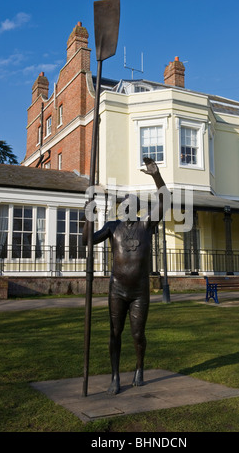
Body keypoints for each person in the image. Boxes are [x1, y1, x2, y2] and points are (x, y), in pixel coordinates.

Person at [83, 157, 169, 394]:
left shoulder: (146, 225)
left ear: (138, 208)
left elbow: (166, 201)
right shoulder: (112, 226)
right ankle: (115, 376)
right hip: (117, 289)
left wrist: (156, 175)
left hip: (139, 291)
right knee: (114, 332)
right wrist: (88, 216)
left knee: (138, 333)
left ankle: (139, 368)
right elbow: (86, 241)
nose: (128, 208)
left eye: (133, 205)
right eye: (125, 205)